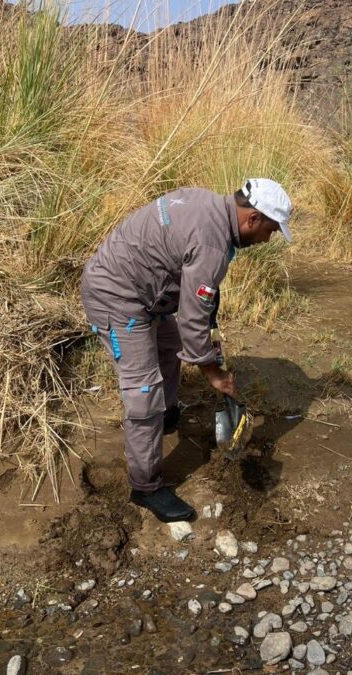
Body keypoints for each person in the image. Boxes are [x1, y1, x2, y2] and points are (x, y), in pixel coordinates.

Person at [80, 179, 293, 522]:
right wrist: (215, 374)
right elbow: (194, 320)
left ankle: (164, 416)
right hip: (116, 298)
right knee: (143, 390)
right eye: (270, 230)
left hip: (146, 294)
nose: (267, 239)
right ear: (252, 218)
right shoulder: (212, 242)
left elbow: (195, 293)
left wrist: (206, 321)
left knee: (170, 346)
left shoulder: (207, 202)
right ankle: (145, 486)